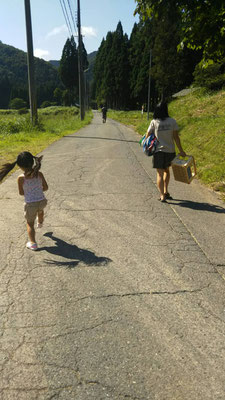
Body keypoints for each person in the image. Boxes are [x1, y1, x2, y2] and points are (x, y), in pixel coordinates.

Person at [0, 151, 48, 250]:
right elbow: (46, 187)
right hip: (42, 201)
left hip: (31, 204)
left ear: (20, 166)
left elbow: (21, 193)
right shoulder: (40, 174)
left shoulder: (21, 178)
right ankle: (40, 222)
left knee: (30, 223)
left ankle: (33, 243)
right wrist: (38, 190)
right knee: (40, 210)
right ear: (32, 162)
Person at [146, 101, 186, 202]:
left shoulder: (154, 122)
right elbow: (176, 138)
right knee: (167, 171)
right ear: (166, 110)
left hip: (158, 151)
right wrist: (181, 151)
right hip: (170, 151)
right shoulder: (172, 121)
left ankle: (162, 195)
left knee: (159, 174)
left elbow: (147, 136)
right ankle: (166, 191)